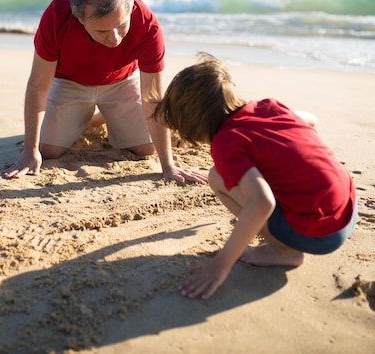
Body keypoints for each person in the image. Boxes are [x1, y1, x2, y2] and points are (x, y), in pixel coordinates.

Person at [152, 53, 358, 300]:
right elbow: (311, 119)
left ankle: (285, 251)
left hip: (321, 234)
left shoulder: (226, 143)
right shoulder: (268, 106)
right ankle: (289, 232)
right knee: (263, 168)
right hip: (348, 208)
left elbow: (263, 202)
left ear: (193, 122)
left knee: (217, 177)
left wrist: (221, 264)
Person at [2, 0, 207, 184]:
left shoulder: (147, 24)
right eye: (102, 31)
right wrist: (29, 150)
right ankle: (87, 117)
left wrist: (169, 166)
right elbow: (38, 86)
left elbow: (153, 97)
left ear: (129, 8)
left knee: (147, 148)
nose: (115, 38)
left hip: (122, 81)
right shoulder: (57, 16)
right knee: (49, 150)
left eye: (121, 26)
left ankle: (103, 116)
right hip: (70, 82)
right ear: (80, 19)